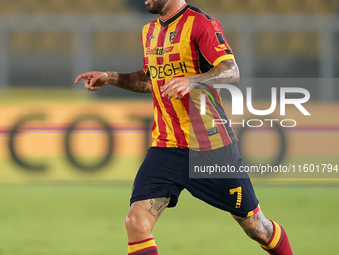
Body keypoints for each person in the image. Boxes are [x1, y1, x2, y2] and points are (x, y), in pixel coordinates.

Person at [75, 0, 293, 254]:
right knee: (136, 222)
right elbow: (149, 79)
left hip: (211, 147)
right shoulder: (150, 31)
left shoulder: (200, 23)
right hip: (165, 147)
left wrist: (192, 81)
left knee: (257, 228)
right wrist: (111, 77)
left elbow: (231, 70)